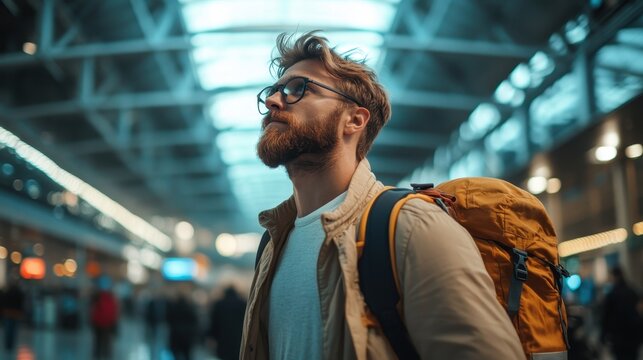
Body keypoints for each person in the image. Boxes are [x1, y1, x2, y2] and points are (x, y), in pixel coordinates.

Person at [240, 31, 524, 359]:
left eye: (298, 89)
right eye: (273, 92)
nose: (274, 101)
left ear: (354, 120)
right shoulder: (273, 242)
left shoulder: (412, 229)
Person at [600, 266, 642, 360]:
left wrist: (603, 336)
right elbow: (639, 313)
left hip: (618, 337)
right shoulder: (632, 291)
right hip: (633, 335)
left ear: (615, 277)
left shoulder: (611, 295)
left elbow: (606, 317)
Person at [207, 286, 247, 360]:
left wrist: (212, 336)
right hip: (238, 338)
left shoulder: (219, 304)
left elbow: (214, 322)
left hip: (223, 339)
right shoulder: (243, 304)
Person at [90, 278, 119, 360]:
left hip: (99, 323)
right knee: (106, 342)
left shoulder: (97, 297)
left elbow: (93, 311)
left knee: (99, 342)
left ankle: (99, 355)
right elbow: (114, 311)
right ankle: (105, 355)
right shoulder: (110, 298)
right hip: (106, 323)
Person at [166, 292, 198, 360]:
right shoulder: (189, 308)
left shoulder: (173, 308)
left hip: (175, 335)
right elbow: (194, 321)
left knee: (176, 355)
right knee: (187, 355)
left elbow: (168, 320)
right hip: (187, 336)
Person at [1, 279, 25, 351]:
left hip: (8, 313)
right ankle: (11, 345)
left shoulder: (6, 292)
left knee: (8, 330)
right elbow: (21, 303)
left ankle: (8, 345)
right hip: (15, 314)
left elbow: (3, 302)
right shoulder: (19, 292)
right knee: (13, 331)